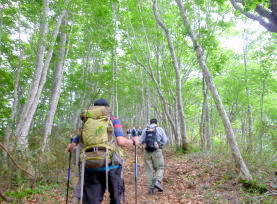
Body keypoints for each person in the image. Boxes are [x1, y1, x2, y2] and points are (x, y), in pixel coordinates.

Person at [67, 98, 139, 204]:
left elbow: (72, 147)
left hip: (90, 166)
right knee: (115, 198)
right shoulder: (113, 119)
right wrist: (133, 142)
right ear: (107, 108)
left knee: (92, 200)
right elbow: (121, 141)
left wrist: (70, 145)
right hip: (112, 166)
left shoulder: (87, 121)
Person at [139, 118, 168, 194]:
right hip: (157, 151)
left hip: (147, 151)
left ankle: (151, 189)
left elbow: (140, 140)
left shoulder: (145, 129)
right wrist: (159, 144)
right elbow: (165, 140)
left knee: (149, 170)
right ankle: (157, 181)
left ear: (150, 123)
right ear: (156, 123)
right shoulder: (160, 129)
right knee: (160, 167)